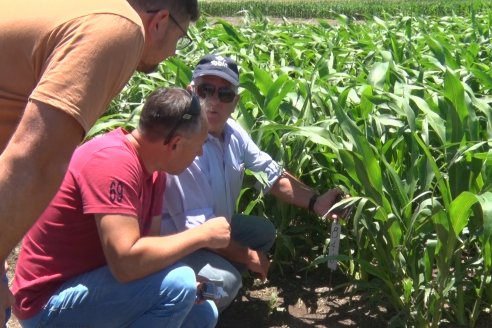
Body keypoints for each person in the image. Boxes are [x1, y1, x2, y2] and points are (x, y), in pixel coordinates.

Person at [0, 0, 199, 321]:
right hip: (46, 300)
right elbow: (36, 161)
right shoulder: (119, 28)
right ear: (160, 21)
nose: (175, 52)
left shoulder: (79, 9)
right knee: (179, 285)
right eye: (180, 37)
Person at [12, 88, 231, 327]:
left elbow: (148, 251)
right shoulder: (112, 161)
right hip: (47, 305)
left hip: (94, 288)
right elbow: (126, 265)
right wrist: (203, 235)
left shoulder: (155, 172)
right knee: (179, 284)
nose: (200, 153)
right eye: (199, 144)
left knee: (202, 312)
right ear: (176, 143)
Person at [161, 55, 349, 311]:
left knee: (262, 232)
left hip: (214, 230)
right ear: (190, 91)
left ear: (235, 102)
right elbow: (202, 232)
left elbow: (271, 174)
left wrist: (316, 202)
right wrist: (249, 256)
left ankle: (216, 278)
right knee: (225, 284)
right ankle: (187, 305)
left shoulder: (233, 132)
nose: (214, 101)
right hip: (178, 245)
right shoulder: (184, 147)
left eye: (224, 94)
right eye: (206, 90)